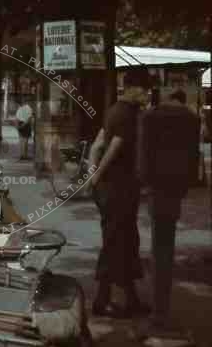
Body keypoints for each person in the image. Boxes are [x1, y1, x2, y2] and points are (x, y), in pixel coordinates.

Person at [88, 68, 151, 318]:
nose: (147, 94)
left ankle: (132, 299)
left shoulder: (114, 110)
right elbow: (113, 148)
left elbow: (97, 145)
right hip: (119, 189)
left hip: (111, 189)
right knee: (116, 241)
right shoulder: (128, 114)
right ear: (133, 88)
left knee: (125, 241)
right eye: (145, 90)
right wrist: (98, 175)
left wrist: (93, 174)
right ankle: (101, 302)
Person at [137, 88, 199, 332]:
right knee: (166, 245)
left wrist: (144, 182)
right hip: (176, 187)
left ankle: (159, 312)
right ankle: (162, 308)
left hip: (156, 187)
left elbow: (143, 157)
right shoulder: (191, 119)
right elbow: (194, 156)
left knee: (159, 247)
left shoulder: (151, 117)